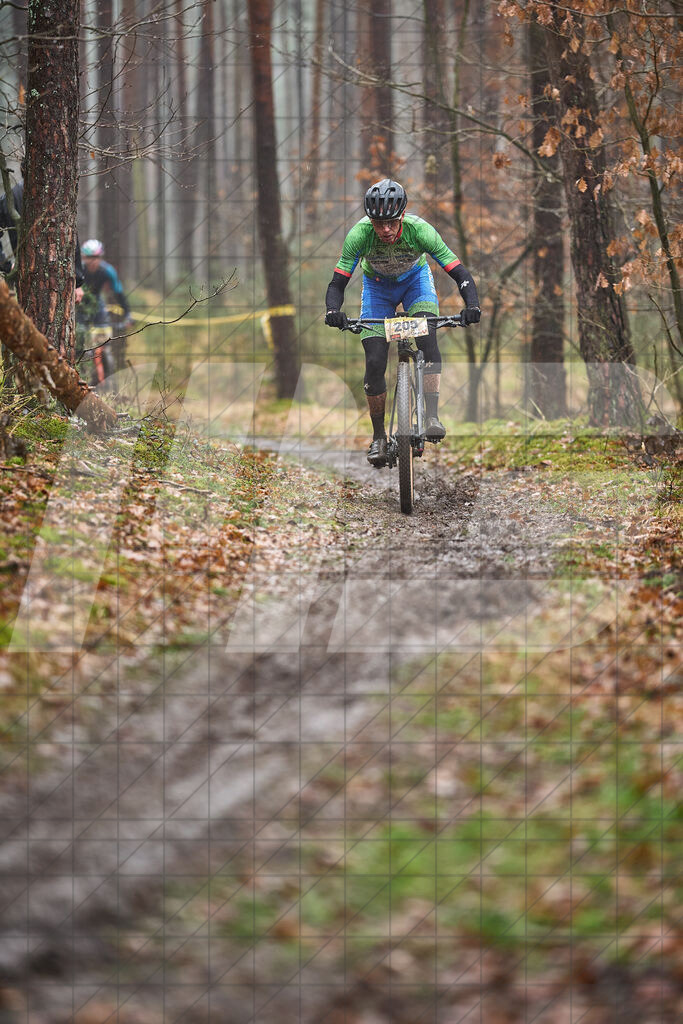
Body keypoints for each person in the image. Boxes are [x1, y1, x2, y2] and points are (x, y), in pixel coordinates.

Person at [324, 178, 481, 467]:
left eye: (392, 223)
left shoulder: (420, 231)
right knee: (374, 361)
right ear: (370, 220)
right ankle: (379, 437)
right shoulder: (358, 235)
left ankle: (431, 415)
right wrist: (333, 310)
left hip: (415, 284)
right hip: (377, 289)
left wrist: (472, 305)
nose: (385, 230)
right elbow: (337, 283)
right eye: (378, 223)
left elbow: (459, 272)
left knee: (427, 335)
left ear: (403, 215)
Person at [80, 238, 133, 371]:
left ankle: (106, 362)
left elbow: (119, 293)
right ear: (83, 257)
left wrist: (128, 314)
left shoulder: (107, 270)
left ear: (101, 257)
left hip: (97, 304)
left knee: (104, 339)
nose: (93, 261)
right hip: (79, 305)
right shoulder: (78, 269)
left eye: (96, 257)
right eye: (89, 257)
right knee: (79, 338)